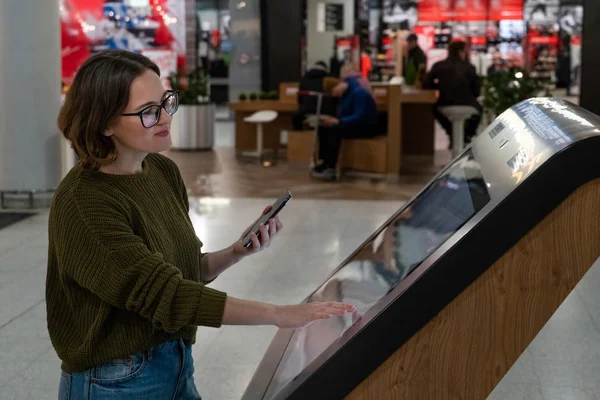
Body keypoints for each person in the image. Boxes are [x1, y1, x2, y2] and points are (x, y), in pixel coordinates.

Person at [48, 50, 355, 399]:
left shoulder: (161, 171)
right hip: (116, 379)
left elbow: (180, 270)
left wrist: (234, 253)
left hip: (175, 359)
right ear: (104, 123)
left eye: (165, 102)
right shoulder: (85, 202)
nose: (166, 117)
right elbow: (167, 295)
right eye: (149, 112)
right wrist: (278, 313)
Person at [311, 76, 378, 180]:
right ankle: (325, 162)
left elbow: (359, 115)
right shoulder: (346, 94)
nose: (334, 95)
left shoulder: (359, 93)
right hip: (354, 123)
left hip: (366, 126)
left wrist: (339, 121)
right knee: (324, 128)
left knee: (335, 130)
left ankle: (331, 167)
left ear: (336, 86)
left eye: (333, 92)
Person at [423, 41, 482, 148]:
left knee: (434, 109)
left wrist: (440, 86)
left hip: (444, 103)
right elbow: (477, 92)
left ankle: (451, 133)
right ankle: (467, 135)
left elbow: (426, 85)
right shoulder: (469, 67)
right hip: (468, 104)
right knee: (479, 110)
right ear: (460, 51)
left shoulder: (438, 65)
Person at [292, 61, 335, 130]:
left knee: (296, 118)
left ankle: (299, 138)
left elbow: (300, 100)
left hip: (307, 111)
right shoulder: (330, 78)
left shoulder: (304, 79)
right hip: (327, 111)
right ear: (326, 68)